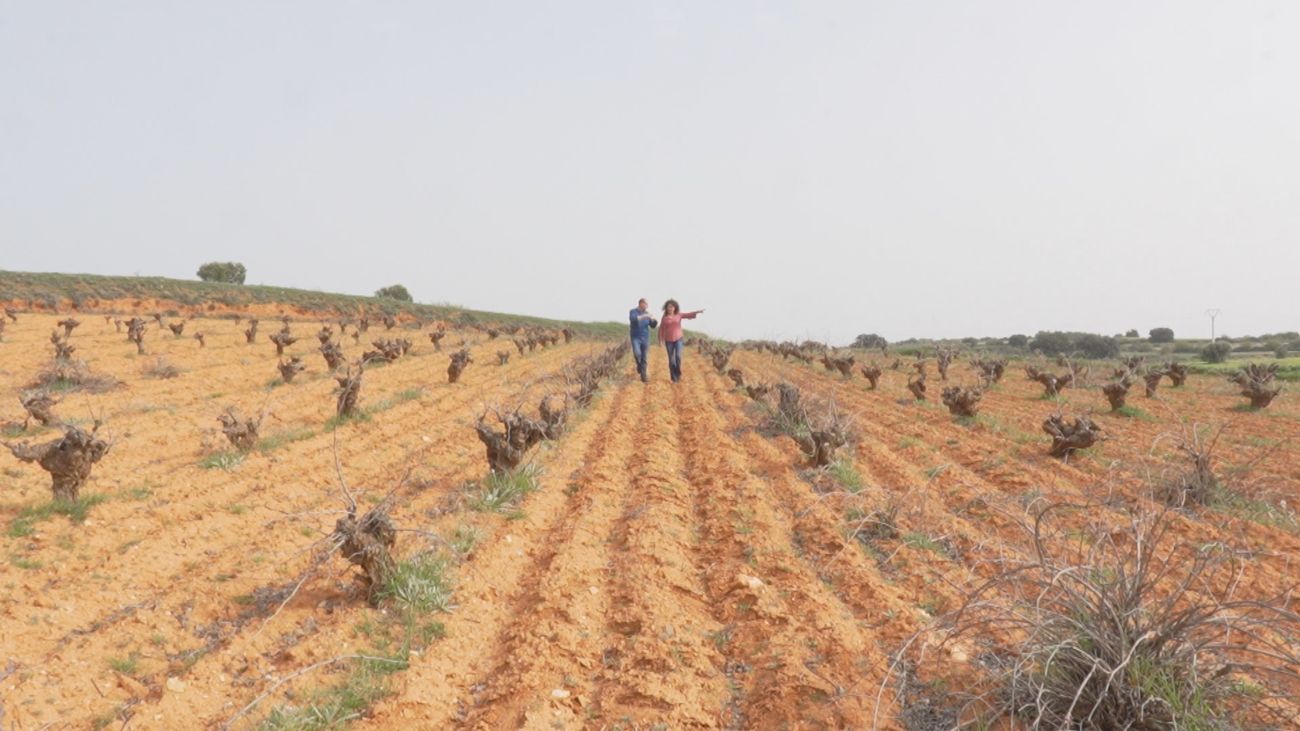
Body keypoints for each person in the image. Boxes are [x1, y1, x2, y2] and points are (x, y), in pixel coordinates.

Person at [657, 299, 703, 383]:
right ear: (666, 308)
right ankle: (674, 378)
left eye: (672, 307)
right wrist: (660, 340)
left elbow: (688, 315)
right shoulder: (664, 318)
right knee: (671, 360)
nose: (670, 308)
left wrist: (696, 312)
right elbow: (661, 329)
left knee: (678, 356)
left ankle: (678, 373)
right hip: (668, 340)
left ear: (675, 308)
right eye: (668, 307)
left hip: (678, 338)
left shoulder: (678, 315)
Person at [628, 298, 657, 382]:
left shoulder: (648, 314)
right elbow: (633, 319)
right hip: (635, 337)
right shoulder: (633, 311)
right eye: (646, 304)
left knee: (644, 357)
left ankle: (644, 377)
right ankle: (639, 365)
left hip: (645, 337)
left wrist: (654, 322)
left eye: (647, 304)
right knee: (637, 353)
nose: (647, 306)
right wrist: (645, 316)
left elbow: (652, 325)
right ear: (641, 303)